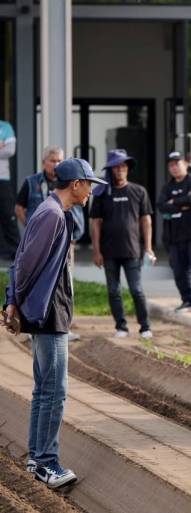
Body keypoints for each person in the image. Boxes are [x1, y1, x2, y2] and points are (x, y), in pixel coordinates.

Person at [2, 158, 105, 488]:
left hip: (48, 311)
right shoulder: (51, 215)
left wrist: (13, 301)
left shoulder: (54, 211)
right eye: (89, 185)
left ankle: (37, 459)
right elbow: (25, 263)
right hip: (48, 315)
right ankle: (46, 462)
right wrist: (13, 303)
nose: (91, 191)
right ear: (75, 185)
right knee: (54, 391)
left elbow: (23, 258)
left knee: (45, 389)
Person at [16, 146, 86, 342]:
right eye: (53, 160)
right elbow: (19, 208)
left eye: (59, 160)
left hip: (67, 240)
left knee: (65, 284)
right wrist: (33, 228)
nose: (56, 164)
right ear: (43, 162)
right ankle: (35, 323)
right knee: (41, 282)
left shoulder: (69, 186)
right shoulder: (32, 183)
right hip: (42, 240)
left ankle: (63, 324)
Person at [91, 149, 155, 339]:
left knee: (136, 289)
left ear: (127, 168)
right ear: (110, 170)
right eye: (116, 167)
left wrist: (148, 248)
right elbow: (95, 223)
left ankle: (145, 327)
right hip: (109, 251)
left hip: (132, 250)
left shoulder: (138, 191)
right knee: (113, 291)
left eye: (123, 166)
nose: (120, 170)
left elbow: (146, 221)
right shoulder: (102, 193)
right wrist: (96, 251)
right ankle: (121, 326)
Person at [158, 151, 191, 312]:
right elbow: (161, 206)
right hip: (173, 235)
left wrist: (173, 202)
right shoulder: (167, 186)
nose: (174, 168)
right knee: (179, 271)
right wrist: (181, 205)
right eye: (171, 165)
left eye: (177, 164)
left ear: (185, 164)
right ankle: (187, 300)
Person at [0, 118, 20, 260]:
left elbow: (10, 150)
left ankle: (15, 251)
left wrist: (4, 147)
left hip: (2, 179)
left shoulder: (5, 127)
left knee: (8, 215)